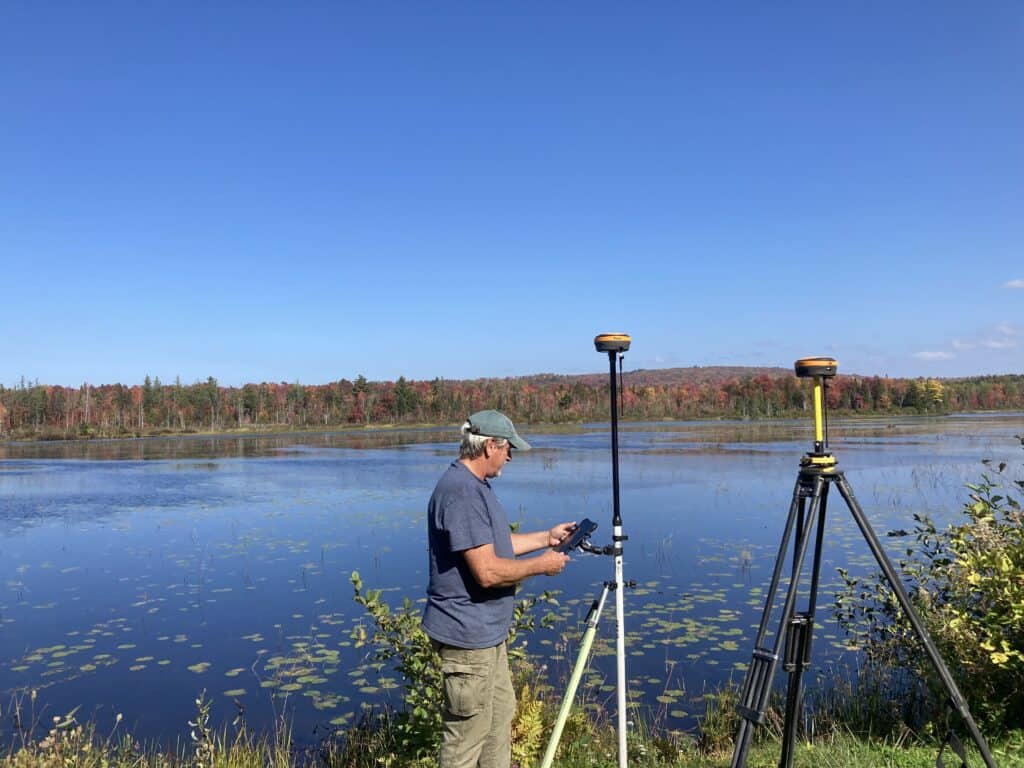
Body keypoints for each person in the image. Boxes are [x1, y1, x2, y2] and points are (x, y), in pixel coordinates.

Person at [422, 409, 574, 768]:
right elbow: (487, 572)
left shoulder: (475, 487)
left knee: (498, 718)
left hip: (487, 637)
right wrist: (542, 565)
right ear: (490, 445)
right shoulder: (461, 493)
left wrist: (546, 537)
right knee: (464, 743)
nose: (510, 457)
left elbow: (496, 547)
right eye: (508, 449)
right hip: (467, 640)